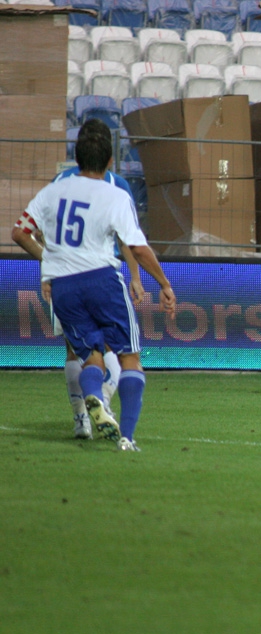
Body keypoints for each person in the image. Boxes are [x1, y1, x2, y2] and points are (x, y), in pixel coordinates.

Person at [24, 119, 177, 450]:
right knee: (130, 358)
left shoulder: (54, 189)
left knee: (89, 356)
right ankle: (127, 437)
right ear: (110, 159)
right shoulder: (117, 193)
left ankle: (91, 398)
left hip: (64, 286)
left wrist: (48, 267)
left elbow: (23, 230)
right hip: (101, 279)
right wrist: (162, 282)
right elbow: (134, 245)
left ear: (76, 157)